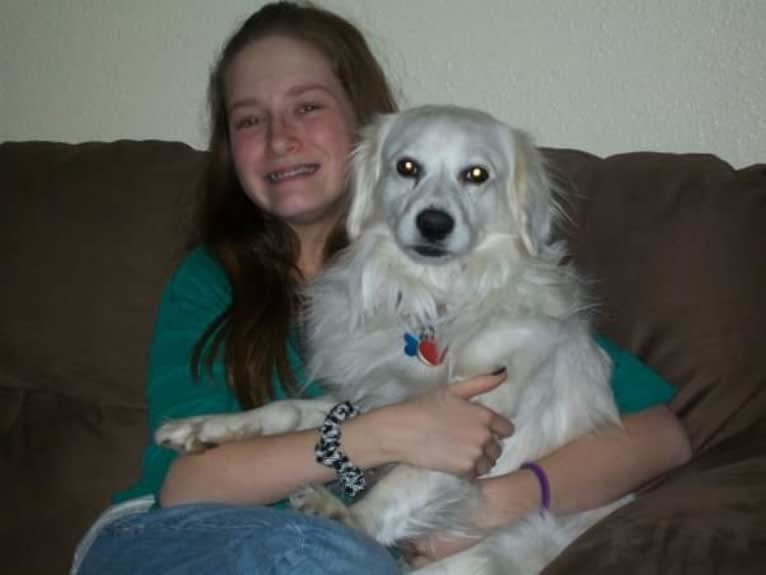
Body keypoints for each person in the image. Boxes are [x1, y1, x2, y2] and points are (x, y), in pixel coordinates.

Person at [73, 2, 691, 574]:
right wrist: (386, 435)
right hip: (174, 542)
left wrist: (490, 505)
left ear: (357, 121)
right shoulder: (211, 279)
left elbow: (660, 436)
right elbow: (186, 489)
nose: (279, 136)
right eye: (250, 119)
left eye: (307, 106)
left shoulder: (498, 301)